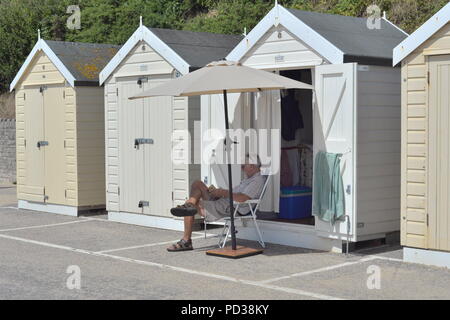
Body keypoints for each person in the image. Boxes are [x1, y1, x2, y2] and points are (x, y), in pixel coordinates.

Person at [167, 154, 266, 252]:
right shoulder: (248, 179)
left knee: (191, 206)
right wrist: (219, 193)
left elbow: (243, 198)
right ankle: (190, 205)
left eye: (243, 166)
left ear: (252, 166)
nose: (242, 168)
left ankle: (186, 240)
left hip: (233, 208)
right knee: (197, 184)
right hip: (224, 202)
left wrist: (223, 192)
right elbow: (235, 194)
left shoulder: (257, 180)